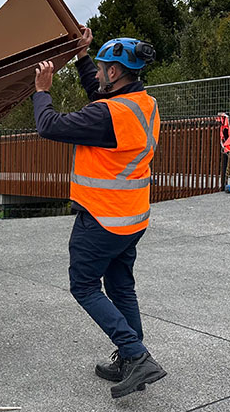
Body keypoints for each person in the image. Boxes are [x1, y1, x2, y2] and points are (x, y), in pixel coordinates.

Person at [32, 27, 167, 398]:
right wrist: (82, 56)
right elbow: (100, 96)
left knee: (85, 285)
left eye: (104, 67)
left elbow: (49, 125)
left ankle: (137, 355)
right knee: (122, 287)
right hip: (132, 217)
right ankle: (129, 359)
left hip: (102, 218)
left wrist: (42, 91)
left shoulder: (108, 115)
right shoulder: (143, 104)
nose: (100, 74)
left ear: (114, 73)